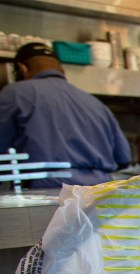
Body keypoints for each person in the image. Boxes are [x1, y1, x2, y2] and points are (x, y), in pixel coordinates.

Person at [0, 42, 131, 188]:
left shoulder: (14, 93)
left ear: (21, 68)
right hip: (100, 193)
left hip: (46, 191)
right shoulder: (96, 103)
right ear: (63, 70)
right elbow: (123, 158)